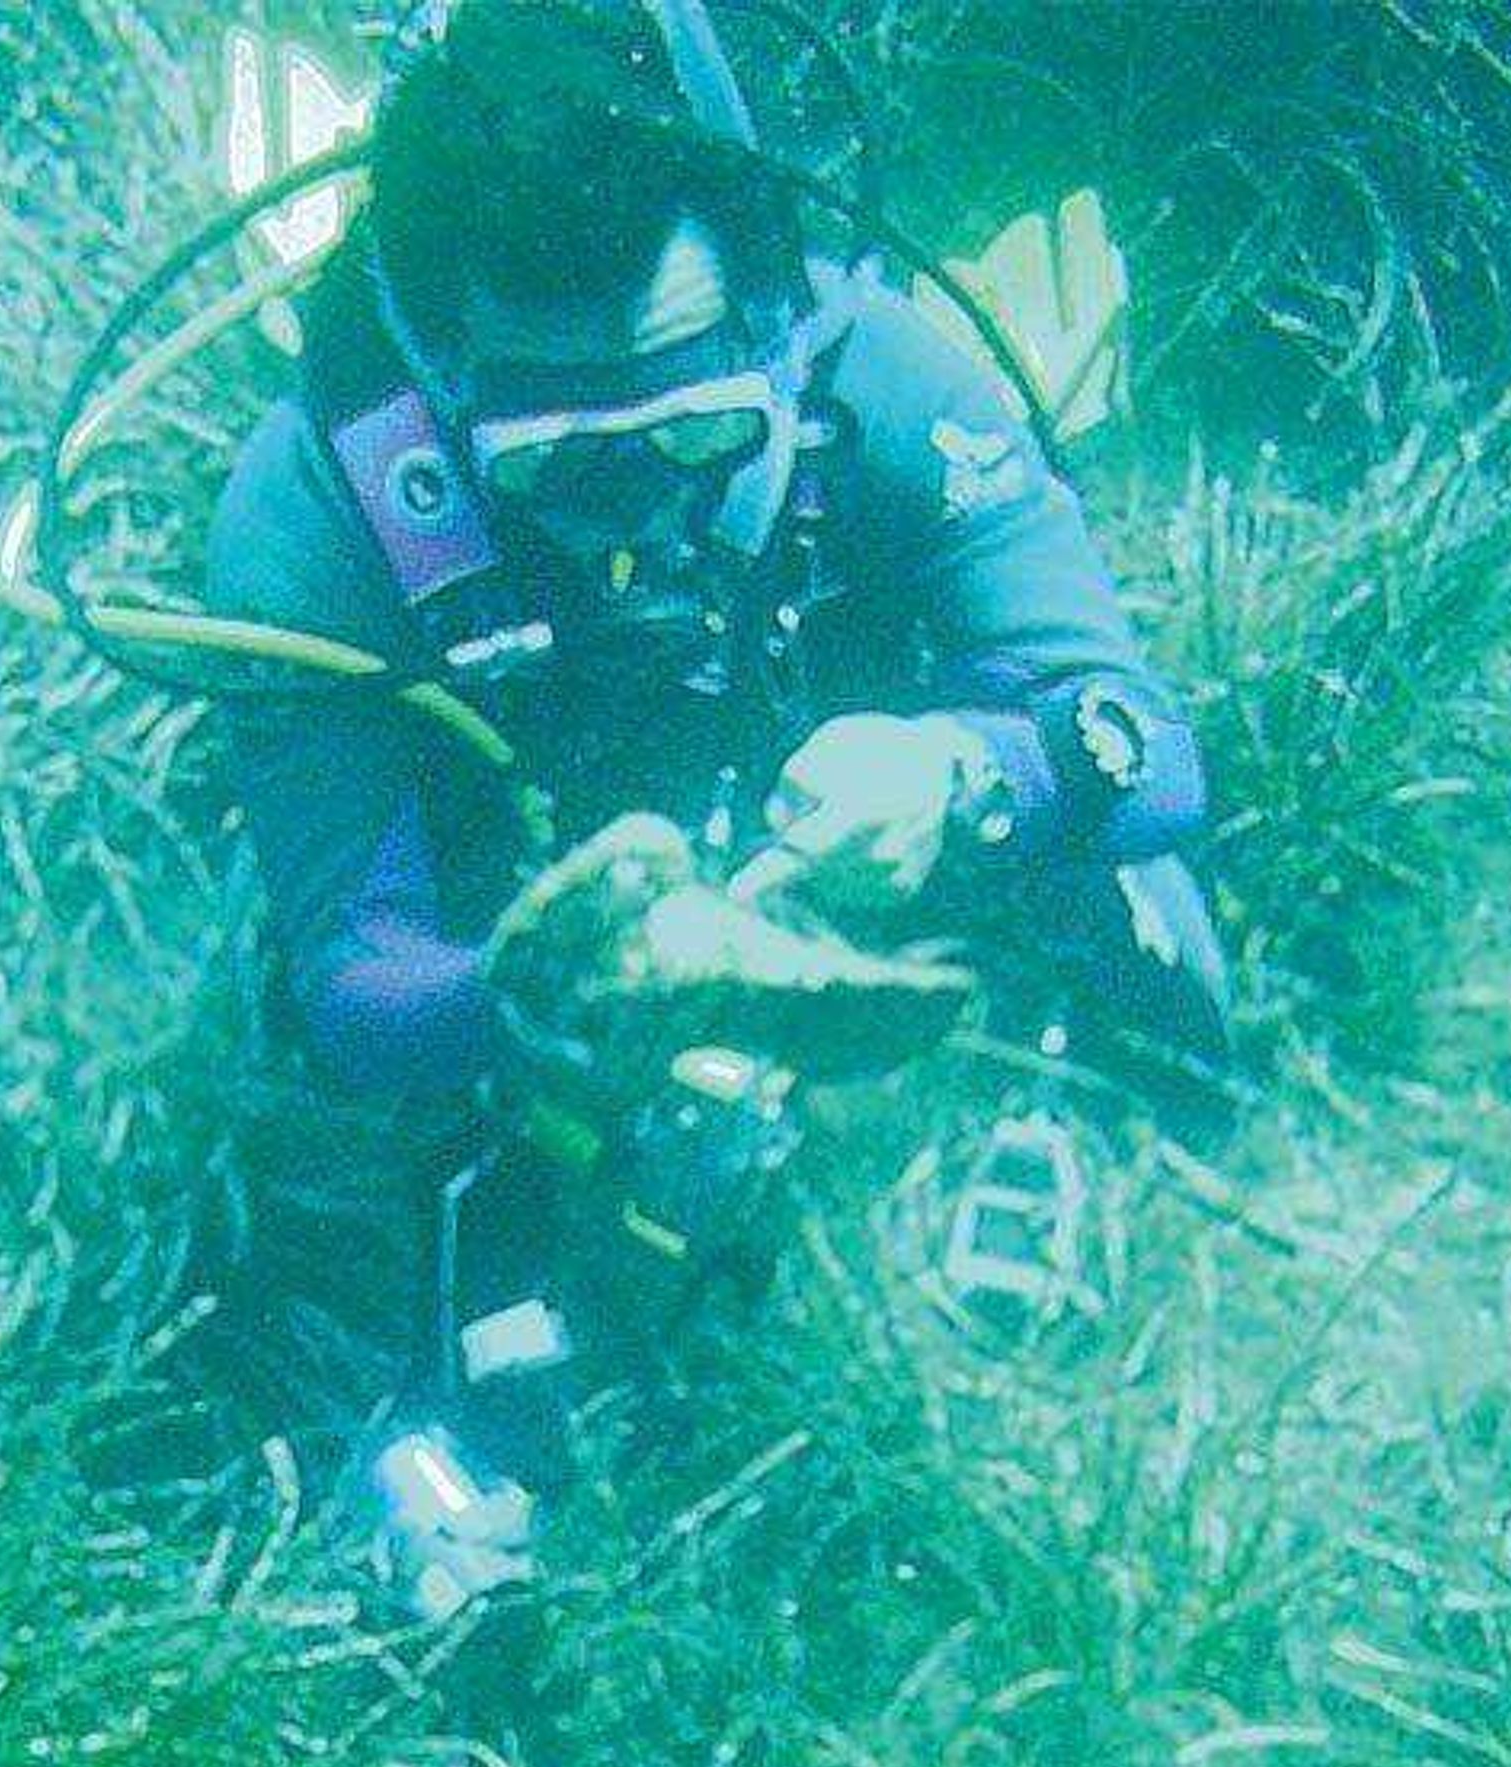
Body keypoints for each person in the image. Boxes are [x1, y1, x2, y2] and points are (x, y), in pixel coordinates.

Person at [194, 0, 1225, 1616]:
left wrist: (968, 777)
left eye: (700, 441)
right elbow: (353, 976)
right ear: (451, 394)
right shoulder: (319, 498)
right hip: (518, 827)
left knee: (1161, 964)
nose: (639, 540)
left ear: (781, 336)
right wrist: (544, 980)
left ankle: (1044, 1130)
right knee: (392, 1237)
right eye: (564, 473)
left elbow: (1146, 749)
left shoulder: (888, 369)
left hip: (844, 748)